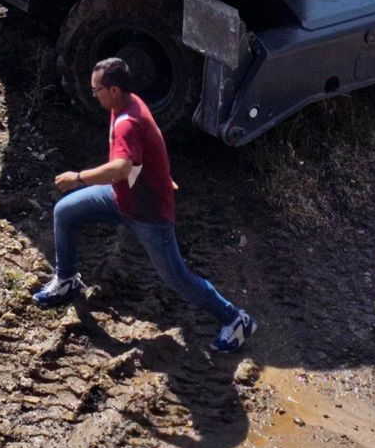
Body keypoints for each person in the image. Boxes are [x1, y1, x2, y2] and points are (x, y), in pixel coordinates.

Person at [33, 56, 257, 353]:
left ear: (113, 89)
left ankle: (236, 319)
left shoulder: (127, 121)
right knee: (66, 211)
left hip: (149, 214)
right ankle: (66, 280)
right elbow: (150, 145)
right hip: (121, 198)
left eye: (96, 90)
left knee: (177, 279)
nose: (94, 94)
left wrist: (78, 177)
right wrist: (161, 174)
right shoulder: (128, 103)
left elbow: (121, 167)